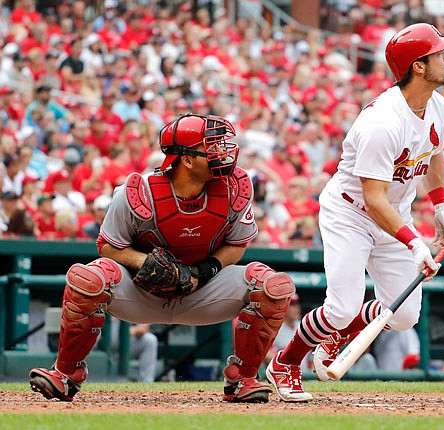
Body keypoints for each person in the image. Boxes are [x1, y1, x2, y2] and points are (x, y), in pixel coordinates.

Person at [29, 114, 296, 403]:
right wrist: (142, 261)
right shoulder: (138, 192)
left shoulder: (235, 187)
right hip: (141, 291)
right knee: (88, 278)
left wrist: (203, 271)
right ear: (188, 160)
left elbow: (237, 245)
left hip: (204, 290)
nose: (224, 153)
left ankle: (242, 379)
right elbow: (107, 246)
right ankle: (66, 375)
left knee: (272, 286)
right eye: (213, 147)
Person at [266, 23, 444, 402]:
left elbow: (433, 156)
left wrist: (441, 205)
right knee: (341, 306)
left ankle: (338, 331)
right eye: (438, 52)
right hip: (350, 213)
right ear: (417, 66)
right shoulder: (381, 123)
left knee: (404, 317)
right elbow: (373, 198)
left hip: (394, 213)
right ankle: (284, 364)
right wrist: (416, 244)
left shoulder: (439, 106)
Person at [111, 318, 158, 383]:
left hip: (123, 349)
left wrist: (129, 330)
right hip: (100, 346)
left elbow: (142, 328)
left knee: (150, 340)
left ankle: (146, 383)